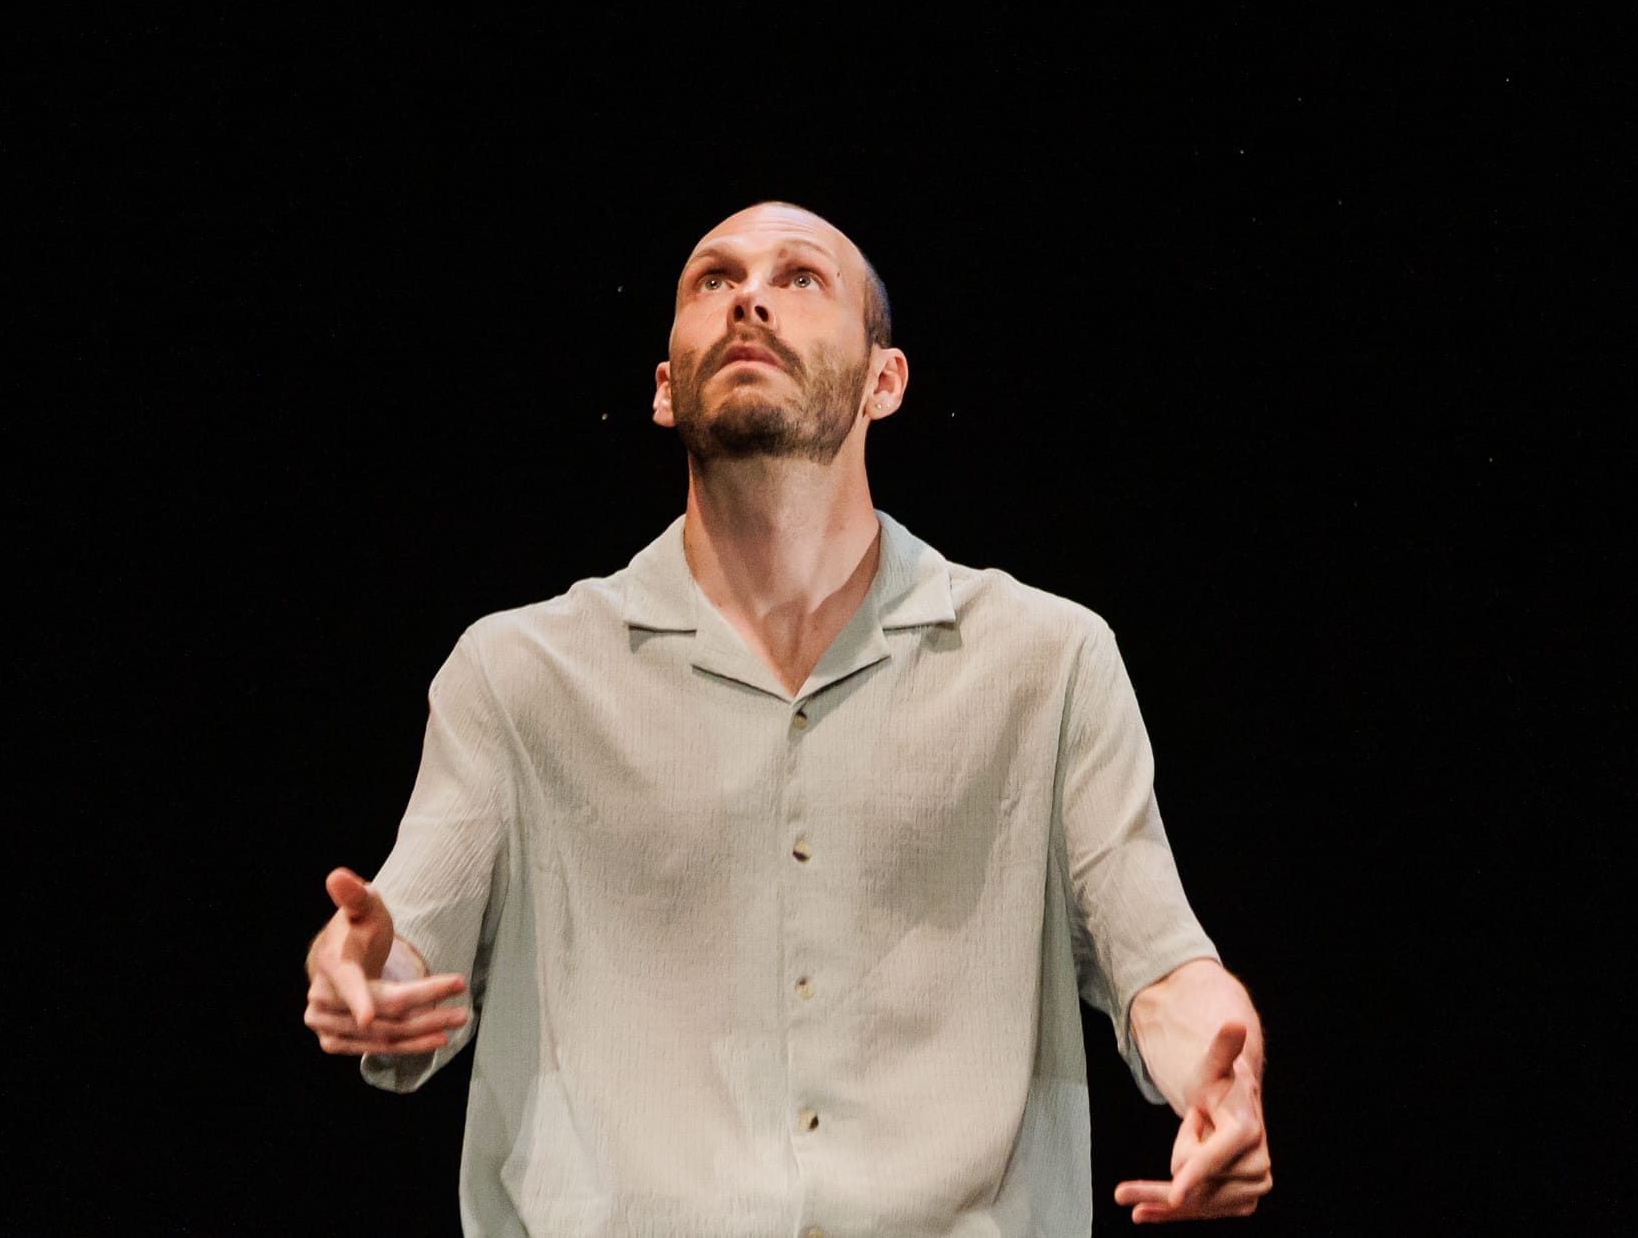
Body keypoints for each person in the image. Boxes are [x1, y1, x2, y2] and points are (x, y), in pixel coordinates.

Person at [304, 201, 1271, 1233]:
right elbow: (402, 951)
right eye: (711, 281)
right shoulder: (519, 673)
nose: (750, 298)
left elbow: (1161, 968)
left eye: (801, 278)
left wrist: (1223, 1078)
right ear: (666, 391)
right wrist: (362, 978)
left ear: (883, 382)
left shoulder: (1047, 662)